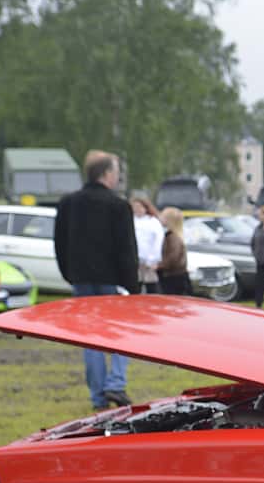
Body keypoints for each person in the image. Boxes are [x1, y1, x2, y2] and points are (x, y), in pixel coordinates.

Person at [54, 150, 139, 409]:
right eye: (115, 172)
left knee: (90, 338)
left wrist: (69, 273)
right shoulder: (117, 205)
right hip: (112, 281)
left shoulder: (68, 203)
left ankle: (97, 396)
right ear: (106, 174)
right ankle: (116, 383)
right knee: (121, 333)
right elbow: (126, 248)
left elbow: (60, 243)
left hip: (81, 278)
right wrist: (132, 286)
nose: (117, 177)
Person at [131, 195, 164, 293]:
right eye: (135, 207)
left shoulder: (153, 222)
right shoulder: (131, 220)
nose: (137, 210)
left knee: (151, 286)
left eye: (139, 207)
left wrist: (154, 259)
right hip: (136, 260)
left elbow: (158, 241)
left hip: (149, 259)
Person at [157, 207, 192, 295]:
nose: (159, 218)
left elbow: (173, 258)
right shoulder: (172, 236)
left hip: (173, 277)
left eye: (163, 216)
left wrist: (160, 266)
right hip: (175, 276)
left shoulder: (173, 237)